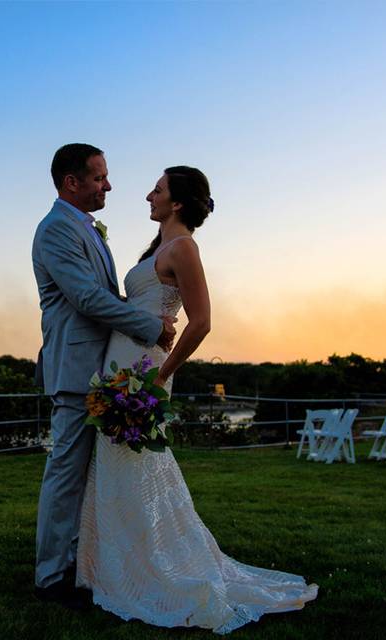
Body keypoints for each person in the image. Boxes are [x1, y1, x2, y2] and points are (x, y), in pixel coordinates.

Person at [75, 166, 318, 633]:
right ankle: (108, 563)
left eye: (158, 189)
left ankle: (150, 567)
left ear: (178, 202)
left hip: (146, 371)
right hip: (119, 365)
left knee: (136, 465)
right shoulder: (159, 248)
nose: (149, 194)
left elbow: (201, 321)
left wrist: (160, 377)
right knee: (114, 466)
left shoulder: (183, 248)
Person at [32, 143, 178, 609]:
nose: (108, 186)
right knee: (66, 475)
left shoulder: (86, 229)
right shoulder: (56, 229)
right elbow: (88, 299)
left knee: (91, 476)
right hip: (76, 371)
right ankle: (52, 578)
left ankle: (86, 563)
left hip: (103, 368)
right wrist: (152, 327)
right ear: (71, 182)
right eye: (99, 178)